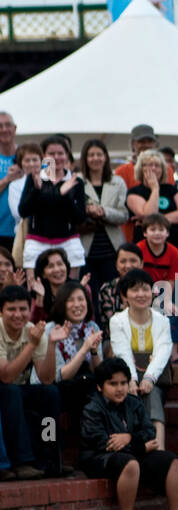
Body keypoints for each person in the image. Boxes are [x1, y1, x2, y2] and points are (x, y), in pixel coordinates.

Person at [80, 358, 178, 510]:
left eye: (123, 383)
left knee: (172, 462)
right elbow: (103, 443)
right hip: (100, 459)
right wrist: (139, 447)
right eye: (112, 384)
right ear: (100, 387)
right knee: (130, 464)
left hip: (132, 453)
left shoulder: (133, 403)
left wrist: (129, 438)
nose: (119, 388)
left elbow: (149, 432)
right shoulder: (92, 408)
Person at [0, 285, 61, 477]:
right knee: (11, 392)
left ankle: (49, 457)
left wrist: (50, 344)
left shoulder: (33, 331)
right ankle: (22, 461)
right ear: (1, 311)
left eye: (23, 309)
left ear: (29, 309)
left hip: (18, 389)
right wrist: (32, 345)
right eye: (11, 309)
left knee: (50, 393)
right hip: (4, 389)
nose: (18, 315)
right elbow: (6, 377)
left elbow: (46, 378)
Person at [108, 267, 170, 448]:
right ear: (125, 295)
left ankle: (159, 448)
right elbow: (122, 351)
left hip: (156, 377)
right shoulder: (117, 320)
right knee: (135, 395)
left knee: (152, 393)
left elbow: (163, 351)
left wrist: (149, 378)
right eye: (135, 290)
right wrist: (132, 380)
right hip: (127, 376)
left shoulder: (162, 320)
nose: (141, 294)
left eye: (145, 289)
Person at [18, 137, 86, 279]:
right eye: (51, 153)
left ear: (67, 155)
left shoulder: (75, 181)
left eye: (60, 153)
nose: (56, 157)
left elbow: (79, 218)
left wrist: (65, 197)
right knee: (35, 290)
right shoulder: (34, 178)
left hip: (68, 241)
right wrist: (36, 190)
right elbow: (23, 211)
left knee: (70, 289)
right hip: (37, 241)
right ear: (44, 156)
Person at [47, 282, 103, 443]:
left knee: (93, 384)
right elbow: (61, 376)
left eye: (81, 299)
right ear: (61, 304)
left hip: (85, 384)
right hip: (57, 387)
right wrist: (85, 348)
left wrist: (93, 351)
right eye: (71, 300)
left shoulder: (91, 326)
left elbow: (99, 372)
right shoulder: (52, 329)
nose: (77, 304)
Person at [77, 139, 129, 291]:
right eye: (91, 155)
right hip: (85, 249)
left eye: (99, 154)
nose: (95, 158)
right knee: (89, 293)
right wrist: (87, 211)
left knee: (113, 293)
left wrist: (104, 212)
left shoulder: (117, 182)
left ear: (105, 157)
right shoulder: (78, 181)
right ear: (85, 159)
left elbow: (124, 214)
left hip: (112, 249)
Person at [125, 149, 178, 253]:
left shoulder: (171, 189)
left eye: (157, 165)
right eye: (149, 165)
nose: (154, 168)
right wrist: (155, 189)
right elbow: (148, 215)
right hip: (146, 252)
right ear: (141, 169)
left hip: (174, 249)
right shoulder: (134, 192)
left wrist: (158, 219)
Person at [0, 112, 19, 252]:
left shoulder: (27, 156)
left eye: (8, 125)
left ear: (15, 128)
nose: (4, 129)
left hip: (23, 231)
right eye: (0, 126)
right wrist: (6, 180)